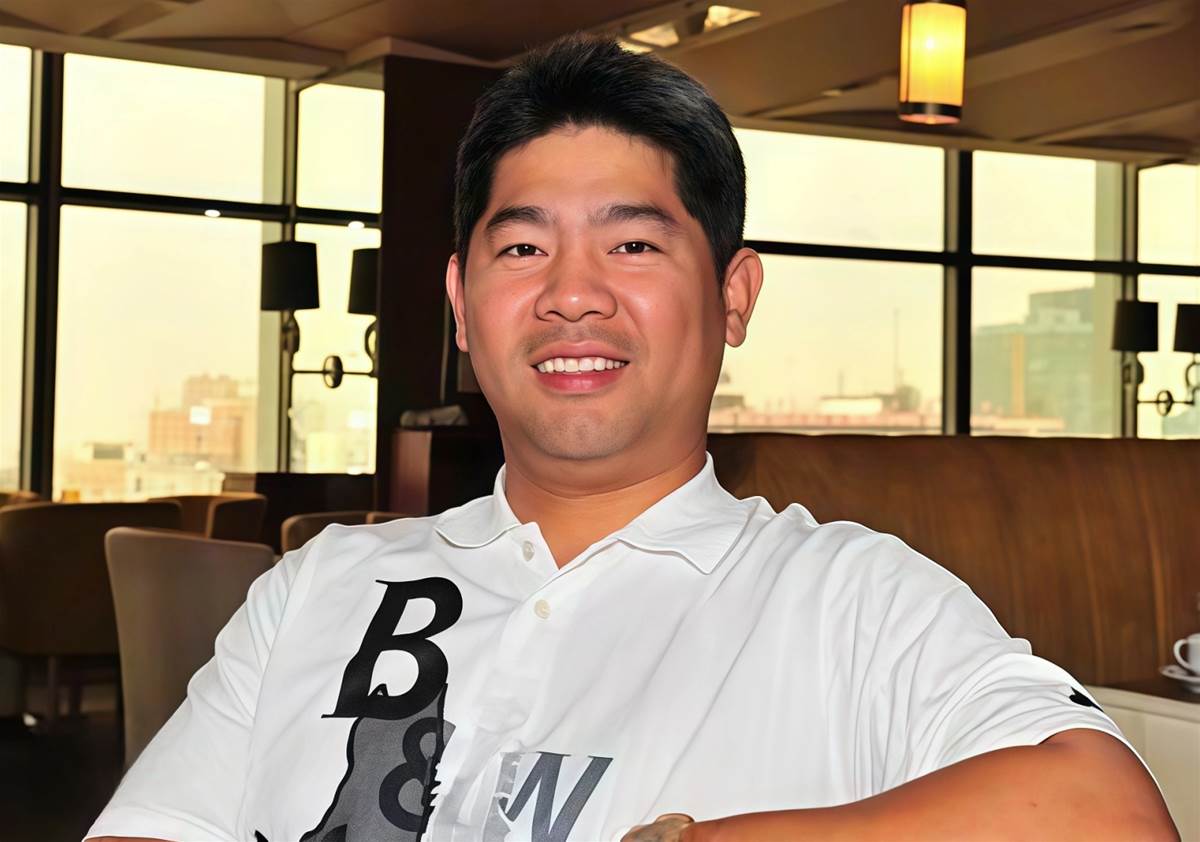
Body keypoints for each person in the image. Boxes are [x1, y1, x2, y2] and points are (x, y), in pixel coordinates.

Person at [88, 34, 1176, 842]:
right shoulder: (317, 588)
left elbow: (1106, 813)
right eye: (523, 249)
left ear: (733, 295)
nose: (573, 294)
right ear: (462, 304)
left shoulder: (848, 599)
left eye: (635, 246)